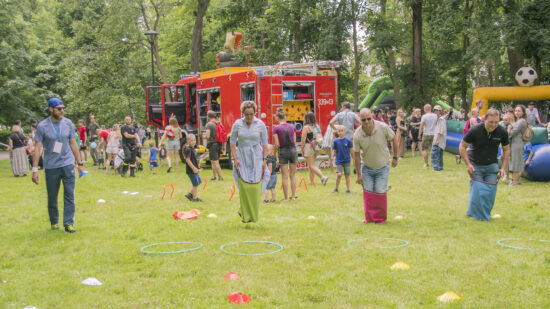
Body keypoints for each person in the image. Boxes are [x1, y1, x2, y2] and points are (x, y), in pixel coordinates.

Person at [32, 98, 84, 233]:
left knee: (69, 194)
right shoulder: (42, 126)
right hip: (51, 167)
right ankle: (54, 221)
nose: (62, 111)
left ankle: (68, 224)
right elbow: (37, 147)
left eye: (63, 108)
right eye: (59, 109)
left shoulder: (67, 123)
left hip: (67, 164)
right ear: (51, 109)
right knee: (52, 196)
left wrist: (80, 164)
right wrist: (34, 169)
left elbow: (73, 143)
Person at [459, 108, 510, 221]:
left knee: (490, 192)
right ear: (485, 119)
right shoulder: (475, 130)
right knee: (478, 191)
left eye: (496, 122)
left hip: (491, 166)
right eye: (491, 122)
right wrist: (468, 164)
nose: (493, 125)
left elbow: (506, 150)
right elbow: (462, 146)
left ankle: (481, 214)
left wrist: (503, 168)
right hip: (475, 165)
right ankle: (482, 218)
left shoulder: (502, 132)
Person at [353, 108, 398, 224]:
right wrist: (358, 175)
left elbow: (394, 139)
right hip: (367, 167)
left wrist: (395, 157)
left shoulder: (382, 127)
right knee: (368, 193)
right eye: (364, 120)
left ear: (372, 117)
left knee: (379, 192)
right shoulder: (357, 134)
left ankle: (380, 218)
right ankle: (369, 218)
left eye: (369, 119)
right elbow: (356, 155)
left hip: (382, 166)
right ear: (360, 121)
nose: (367, 122)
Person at [230, 101, 268, 223]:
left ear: (255, 113)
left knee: (257, 185)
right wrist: (235, 158)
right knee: (245, 186)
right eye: (247, 114)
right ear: (243, 114)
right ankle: (245, 214)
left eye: (251, 114)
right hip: (242, 156)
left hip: (256, 155)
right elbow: (232, 142)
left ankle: (252, 213)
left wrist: (264, 160)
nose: (249, 117)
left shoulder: (260, 124)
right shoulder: (237, 124)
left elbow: (265, 144)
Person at [272, 108, 298, 201]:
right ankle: (293, 196)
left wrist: (275, 155)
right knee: (293, 175)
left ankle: (286, 198)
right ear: (285, 117)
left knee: (284, 176)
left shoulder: (276, 128)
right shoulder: (292, 126)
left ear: (277, 117)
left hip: (283, 151)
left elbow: (277, 144)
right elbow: (294, 141)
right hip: (293, 150)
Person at [301, 112, 328, 186]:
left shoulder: (306, 127)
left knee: (311, 165)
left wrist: (302, 149)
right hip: (316, 147)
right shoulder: (317, 126)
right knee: (311, 165)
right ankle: (311, 180)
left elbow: (303, 140)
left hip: (308, 147)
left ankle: (322, 177)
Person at [507, 105, 528, 186]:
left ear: (523, 112)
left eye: (519, 111)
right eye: (515, 110)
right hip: (517, 142)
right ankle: (517, 180)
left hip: (517, 143)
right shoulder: (519, 121)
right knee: (517, 160)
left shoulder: (521, 121)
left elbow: (513, 132)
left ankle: (515, 181)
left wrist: (508, 130)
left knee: (516, 161)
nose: (517, 112)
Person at [331, 125, 354, 193]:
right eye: (339, 131)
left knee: (347, 175)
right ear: (337, 132)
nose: (340, 132)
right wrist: (332, 156)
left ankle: (348, 189)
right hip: (339, 161)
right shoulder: (335, 141)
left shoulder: (348, 141)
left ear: (345, 132)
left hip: (347, 160)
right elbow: (334, 150)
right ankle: (336, 188)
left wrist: (354, 158)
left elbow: (351, 150)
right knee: (339, 175)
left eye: (342, 131)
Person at [204, 111, 225, 181]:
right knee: (213, 160)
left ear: (208, 116)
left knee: (215, 161)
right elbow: (223, 135)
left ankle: (220, 177)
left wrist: (204, 136)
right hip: (218, 144)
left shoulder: (209, 124)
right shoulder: (218, 123)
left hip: (213, 144)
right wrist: (223, 146)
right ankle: (214, 176)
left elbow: (207, 136)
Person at [183, 134, 202, 202]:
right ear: (187, 141)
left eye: (194, 140)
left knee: (198, 181)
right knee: (195, 184)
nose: (193, 142)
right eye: (191, 140)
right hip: (191, 170)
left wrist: (197, 168)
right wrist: (194, 168)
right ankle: (194, 198)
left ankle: (190, 194)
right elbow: (187, 160)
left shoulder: (192, 148)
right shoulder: (188, 149)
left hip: (195, 169)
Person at [430, 105, 447, 171]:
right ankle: (440, 167)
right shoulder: (439, 119)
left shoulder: (441, 119)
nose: (436, 112)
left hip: (439, 140)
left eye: (437, 110)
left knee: (434, 154)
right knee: (439, 154)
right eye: (435, 110)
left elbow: (440, 131)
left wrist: (437, 140)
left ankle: (436, 167)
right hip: (438, 139)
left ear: (440, 111)